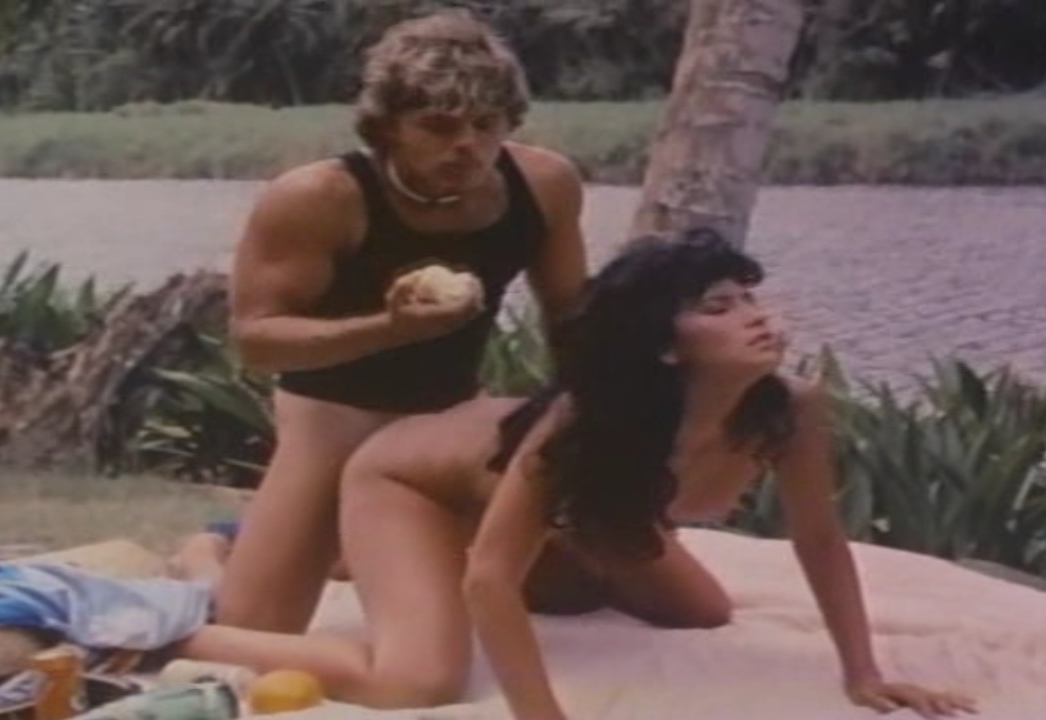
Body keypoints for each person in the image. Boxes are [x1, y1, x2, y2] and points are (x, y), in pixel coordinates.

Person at [169, 228, 978, 719]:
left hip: (539, 503)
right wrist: (542, 715)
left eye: (750, 298)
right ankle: (175, 619)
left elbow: (821, 540)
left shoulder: (789, 408)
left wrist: (864, 674)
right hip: (411, 482)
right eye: (720, 307)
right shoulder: (585, 425)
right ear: (664, 347)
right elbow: (491, 578)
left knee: (699, 612)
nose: (757, 317)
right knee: (415, 681)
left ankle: (267, 551)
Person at [216, 9, 589, 633]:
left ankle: (355, 548)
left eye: (486, 124)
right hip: (333, 416)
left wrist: (595, 424)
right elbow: (257, 342)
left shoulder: (544, 184)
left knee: (577, 587)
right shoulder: (318, 198)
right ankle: (212, 552)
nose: (466, 145)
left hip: (450, 415)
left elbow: (571, 320)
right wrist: (389, 329)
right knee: (254, 627)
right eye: (438, 126)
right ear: (387, 127)